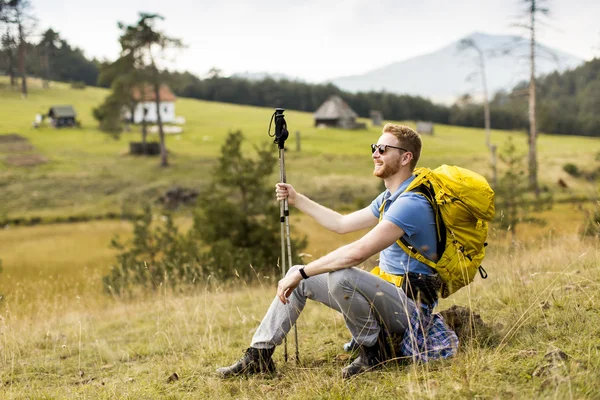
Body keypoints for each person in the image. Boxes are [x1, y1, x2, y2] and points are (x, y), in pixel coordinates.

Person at [216, 124, 457, 379]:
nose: (375, 154)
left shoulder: (412, 203)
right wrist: (297, 199)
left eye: (383, 149)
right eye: (375, 148)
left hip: (411, 308)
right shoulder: (389, 198)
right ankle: (258, 356)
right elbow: (341, 224)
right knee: (297, 274)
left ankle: (374, 354)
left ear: (406, 157)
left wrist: (306, 272)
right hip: (390, 296)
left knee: (339, 276)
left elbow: (357, 253)